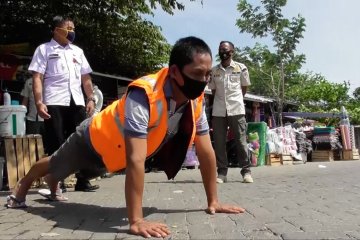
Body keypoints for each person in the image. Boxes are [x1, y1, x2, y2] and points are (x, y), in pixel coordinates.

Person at [6, 36, 245, 238]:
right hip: (92, 139)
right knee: (56, 163)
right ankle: (23, 187)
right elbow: (136, 160)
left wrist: (213, 201)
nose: (203, 81)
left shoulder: (196, 102)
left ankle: (53, 182)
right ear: (175, 72)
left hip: (112, 157)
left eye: (207, 76)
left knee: (64, 172)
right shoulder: (144, 94)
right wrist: (136, 220)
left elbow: (205, 151)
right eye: (197, 74)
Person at [28, 16, 99, 192]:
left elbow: (86, 78)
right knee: (56, 142)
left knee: (83, 139)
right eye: (68, 27)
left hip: (76, 101)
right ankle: (56, 181)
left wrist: (90, 98)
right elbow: (37, 77)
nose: (72, 31)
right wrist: (39, 101)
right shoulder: (44, 49)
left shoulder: (78, 51)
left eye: (73, 28)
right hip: (54, 100)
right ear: (56, 29)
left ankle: (83, 180)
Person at [208, 41, 253, 184]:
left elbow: (244, 88)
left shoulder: (241, 68)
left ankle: (246, 172)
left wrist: (236, 100)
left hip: (237, 109)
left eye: (225, 49)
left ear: (232, 51)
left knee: (241, 141)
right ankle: (222, 173)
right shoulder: (214, 71)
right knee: (219, 143)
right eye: (220, 49)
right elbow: (213, 91)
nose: (223, 52)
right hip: (219, 110)